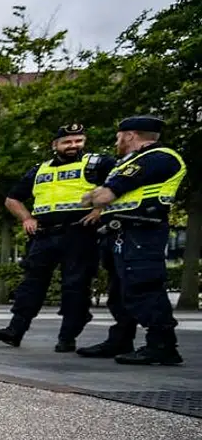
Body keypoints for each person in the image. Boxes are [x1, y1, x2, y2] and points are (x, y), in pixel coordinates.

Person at [0, 123, 113, 352]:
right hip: (43, 234)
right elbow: (12, 199)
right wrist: (26, 218)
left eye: (78, 141)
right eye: (67, 142)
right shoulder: (39, 170)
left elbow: (121, 185)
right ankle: (15, 331)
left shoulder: (98, 164)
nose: (73, 146)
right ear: (55, 145)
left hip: (79, 233)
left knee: (75, 286)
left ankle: (67, 337)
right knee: (30, 285)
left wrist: (99, 210)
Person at [75, 115, 187, 365]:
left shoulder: (159, 158)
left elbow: (103, 196)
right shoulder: (128, 162)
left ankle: (162, 345)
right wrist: (96, 196)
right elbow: (98, 195)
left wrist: (97, 196)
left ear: (130, 135)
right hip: (122, 232)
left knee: (143, 287)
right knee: (119, 291)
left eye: (118, 136)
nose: (116, 140)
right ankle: (120, 339)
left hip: (142, 232)